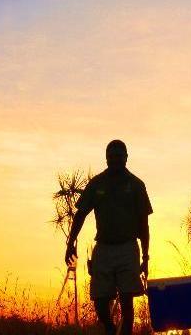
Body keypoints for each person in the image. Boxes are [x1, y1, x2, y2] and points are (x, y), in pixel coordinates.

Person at [65, 139, 153, 335]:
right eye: (111, 157)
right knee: (100, 299)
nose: (115, 160)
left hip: (128, 248)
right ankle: (110, 327)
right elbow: (80, 214)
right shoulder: (97, 184)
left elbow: (144, 224)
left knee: (127, 300)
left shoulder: (136, 185)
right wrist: (70, 243)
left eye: (119, 157)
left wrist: (145, 257)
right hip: (103, 248)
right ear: (106, 159)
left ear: (126, 158)